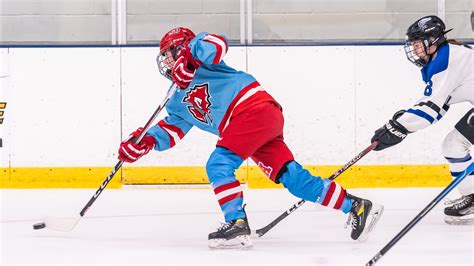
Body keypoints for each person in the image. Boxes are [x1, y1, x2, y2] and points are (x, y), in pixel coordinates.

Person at [118, 27, 383, 248]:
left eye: (168, 54)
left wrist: (191, 56)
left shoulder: (202, 56)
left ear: (181, 48)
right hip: (253, 125)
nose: (165, 61)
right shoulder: (175, 99)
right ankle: (356, 206)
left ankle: (236, 224)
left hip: (251, 109)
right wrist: (144, 142)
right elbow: (171, 130)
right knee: (291, 178)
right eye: (163, 57)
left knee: (218, 164)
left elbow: (217, 44)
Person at [370, 15, 474, 225]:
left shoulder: (448, 59)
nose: (415, 50)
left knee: (455, 145)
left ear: (433, 41)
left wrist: (397, 127)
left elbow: (430, 109)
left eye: (418, 44)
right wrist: (400, 125)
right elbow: (438, 107)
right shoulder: (442, 58)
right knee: (453, 146)